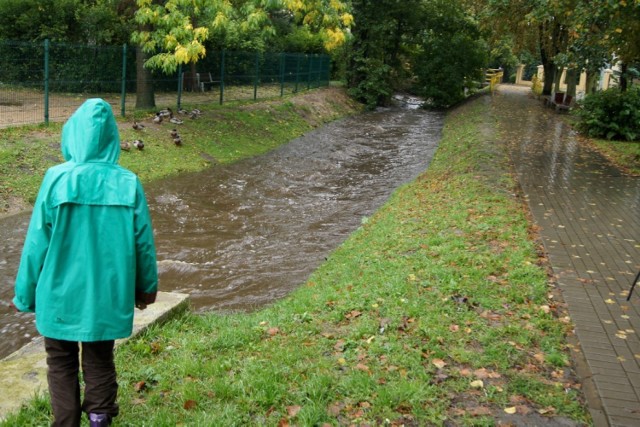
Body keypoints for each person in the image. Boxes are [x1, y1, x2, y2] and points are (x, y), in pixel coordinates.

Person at [12, 98, 159, 427]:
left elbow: (37, 242)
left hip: (59, 293)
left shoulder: (55, 178)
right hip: (106, 294)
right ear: (111, 138)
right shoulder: (128, 182)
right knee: (100, 356)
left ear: (72, 135)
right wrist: (146, 288)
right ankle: (99, 417)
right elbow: (143, 243)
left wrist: (25, 294)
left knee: (60, 360)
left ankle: (65, 423)